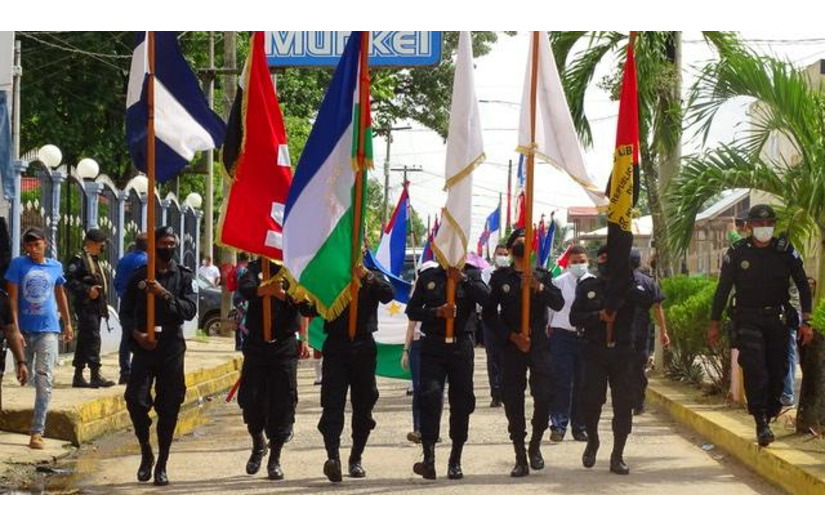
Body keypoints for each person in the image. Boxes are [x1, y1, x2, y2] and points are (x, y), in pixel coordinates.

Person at [708, 204, 813, 447]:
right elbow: (723, 289)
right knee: (756, 370)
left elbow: (803, 285)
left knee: (777, 371)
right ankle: (761, 423)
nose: (764, 229)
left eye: (769, 224)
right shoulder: (737, 253)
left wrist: (807, 321)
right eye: (758, 224)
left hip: (778, 319)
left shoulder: (785, 251)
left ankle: (772, 409)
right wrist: (713, 322)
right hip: (747, 319)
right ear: (748, 227)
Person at [483, 228, 564, 477]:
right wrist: (511, 336)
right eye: (517, 240)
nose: (521, 243)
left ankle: (535, 444)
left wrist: (538, 287)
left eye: (525, 240)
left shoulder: (542, 275)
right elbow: (488, 314)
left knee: (544, 396)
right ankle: (520, 454)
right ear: (510, 248)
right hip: (512, 346)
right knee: (513, 400)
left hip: (538, 344)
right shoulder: (500, 278)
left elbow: (558, 303)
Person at [122, 226, 197, 486]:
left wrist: (164, 295)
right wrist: (136, 334)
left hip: (171, 347)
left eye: (172, 242)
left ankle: (162, 462)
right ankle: (146, 449)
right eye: (163, 243)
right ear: (153, 247)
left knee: (169, 405)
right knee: (135, 399)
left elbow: (189, 310)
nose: (168, 247)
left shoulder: (184, 276)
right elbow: (126, 312)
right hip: (144, 345)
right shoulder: (139, 277)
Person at [406, 261, 490, 480]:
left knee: (462, 401)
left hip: (461, 345)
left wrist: (463, 279)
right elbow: (412, 310)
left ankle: (455, 459)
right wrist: (436, 312)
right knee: (430, 397)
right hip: (433, 345)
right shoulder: (428, 277)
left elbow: (489, 300)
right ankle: (429, 459)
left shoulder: (472, 274)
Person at [314, 261, 393, 483]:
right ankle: (333, 458)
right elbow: (307, 307)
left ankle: (356, 457)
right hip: (337, 346)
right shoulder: (331, 275)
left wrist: (366, 275)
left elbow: (388, 294)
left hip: (363, 346)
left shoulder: (372, 276)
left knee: (364, 405)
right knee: (332, 405)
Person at [571, 244, 647, 475]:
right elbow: (575, 317)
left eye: (609, 258)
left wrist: (627, 283)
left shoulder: (631, 286)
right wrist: (598, 316)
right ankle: (592, 440)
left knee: (623, 405)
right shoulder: (588, 287)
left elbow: (648, 299)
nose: (604, 261)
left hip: (623, 354)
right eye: (601, 258)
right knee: (591, 402)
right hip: (595, 352)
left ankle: (617, 455)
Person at [236, 258, 314, 481]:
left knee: (282, 402)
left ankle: (275, 458)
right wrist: (264, 289)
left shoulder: (294, 271)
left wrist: (285, 296)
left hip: (283, 346)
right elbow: (245, 288)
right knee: (250, 399)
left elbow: (310, 306)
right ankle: (258, 443)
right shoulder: (254, 269)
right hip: (257, 345)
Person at [5, 227, 73, 449]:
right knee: (26, 376)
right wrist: (14, 329)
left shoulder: (55, 266)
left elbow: (60, 294)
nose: (33, 249)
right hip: (23, 331)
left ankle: (37, 431)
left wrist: (68, 322)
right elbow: (12, 299)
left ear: (45, 243)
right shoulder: (18, 265)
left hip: (48, 329)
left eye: (37, 244)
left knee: (44, 379)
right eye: (29, 245)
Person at [547, 244, 591, 442]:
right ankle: (558, 425)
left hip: (585, 338)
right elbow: (550, 310)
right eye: (575, 262)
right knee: (562, 382)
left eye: (582, 261)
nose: (579, 265)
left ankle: (579, 427)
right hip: (562, 336)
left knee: (583, 383)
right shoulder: (559, 282)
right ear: (568, 263)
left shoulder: (594, 283)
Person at [65, 228, 115, 389]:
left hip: (96, 306)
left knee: (86, 339)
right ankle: (95, 374)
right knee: (93, 338)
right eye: (101, 244)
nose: (103, 247)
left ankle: (78, 375)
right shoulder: (79, 259)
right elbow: (70, 281)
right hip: (86, 305)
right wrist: (87, 291)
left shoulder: (94, 259)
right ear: (92, 243)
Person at [629, 248, 669, 415]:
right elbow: (658, 308)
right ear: (638, 263)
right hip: (641, 332)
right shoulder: (648, 282)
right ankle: (637, 403)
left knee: (624, 368)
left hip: (622, 332)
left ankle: (628, 401)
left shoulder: (614, 282)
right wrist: (664, 332)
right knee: (638, 367)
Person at [113, 233, 148, 384]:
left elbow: (116, 281)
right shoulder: (147, 261)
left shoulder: (124, 259)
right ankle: (140, 371)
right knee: (144, 337)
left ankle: (125, 372)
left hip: (125, 304)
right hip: (142, 305)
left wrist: (123, 294)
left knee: (126, 338)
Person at [481, 243, 509, 408]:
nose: (503, 257)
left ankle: (506, 391)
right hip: (491, 318)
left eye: (506, 254)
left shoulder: (511, 273)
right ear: (494, 255)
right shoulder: (486, 273)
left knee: (507, 357)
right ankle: (496, 393)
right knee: (493, 357)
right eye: (500, 253)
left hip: (508, 318)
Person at [229, 253, 250, 351]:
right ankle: (240, 344)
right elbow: (243, 285)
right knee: (242, 320)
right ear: (247, 259)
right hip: (242, 298)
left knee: (240, 320)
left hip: (238, 297)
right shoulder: (243, 270)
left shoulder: (237, 269)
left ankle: (240, 343)